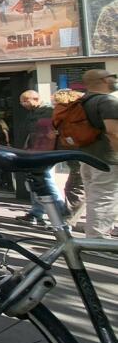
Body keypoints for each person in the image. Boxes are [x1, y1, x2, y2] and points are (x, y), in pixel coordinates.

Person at [73, 69, 118, 239]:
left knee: (95, 196)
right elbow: (114, 132)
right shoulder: (107, 101)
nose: (114, 79)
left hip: (87, 157)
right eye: (112, 76)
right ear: (104, 80)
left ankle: (97, 234)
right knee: (105, 197)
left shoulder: (83, 101)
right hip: (108, 158)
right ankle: (97, 239)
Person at [14, 90, 67, 227]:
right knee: (36, 181)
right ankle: (37, 213)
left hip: (44, 151)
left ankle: (60, 215)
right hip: (36, 151)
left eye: (25, 101)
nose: (23, 104)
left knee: (45, 181)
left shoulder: (49, 111)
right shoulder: (34, 113)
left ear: (35, 99)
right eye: (22, 101)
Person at [53, 88, 86, 227]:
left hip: (78, 155)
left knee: (76, 187)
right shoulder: (81, 112)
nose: (54, 105)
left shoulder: (68, 115)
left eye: (55, 102)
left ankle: (68, 220)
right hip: (83, 154)